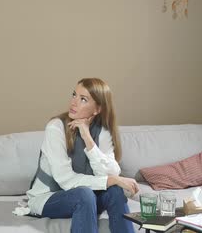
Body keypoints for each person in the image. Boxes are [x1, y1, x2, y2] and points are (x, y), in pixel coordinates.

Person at [25, 78, 139, 233]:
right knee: (85, 194)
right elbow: (65, 180)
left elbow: (111, 173)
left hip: (87, 198)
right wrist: (113, 180)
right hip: (49, 198)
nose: (73, 103)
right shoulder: (56, 128)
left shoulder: (102, 132)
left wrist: (88, 138)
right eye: (74, 95)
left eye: (83, 99)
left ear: (97, 109)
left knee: (115, 192)